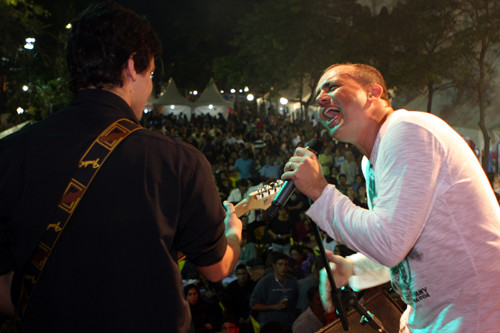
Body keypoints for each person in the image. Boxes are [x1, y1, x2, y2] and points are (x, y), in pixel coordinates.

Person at [0, 2, 242, 332]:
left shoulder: (10, 153)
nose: (151, 89)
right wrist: (233, 234)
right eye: (151, 75)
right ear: (132, 66)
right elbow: (216, 269)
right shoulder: (179, 161)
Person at [282, 63, 500, 332]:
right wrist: (353, 268)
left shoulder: (407, 129)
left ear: (373, 92)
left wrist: (320, 191)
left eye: (333, 86)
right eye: (318, 94)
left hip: (475, 314)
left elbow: (390, 243)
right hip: (437, 316)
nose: (320, 98)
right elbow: (406, 248)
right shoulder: (371, 160)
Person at [249, 252, 299, 333]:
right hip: (269, 327)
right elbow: (253, 305)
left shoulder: (293, 282)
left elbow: (297, 303)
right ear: (274, 265)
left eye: (286, 264)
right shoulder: (265, 282)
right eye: (280, 264)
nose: (283, 267)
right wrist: (274, 306)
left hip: (288, 325)